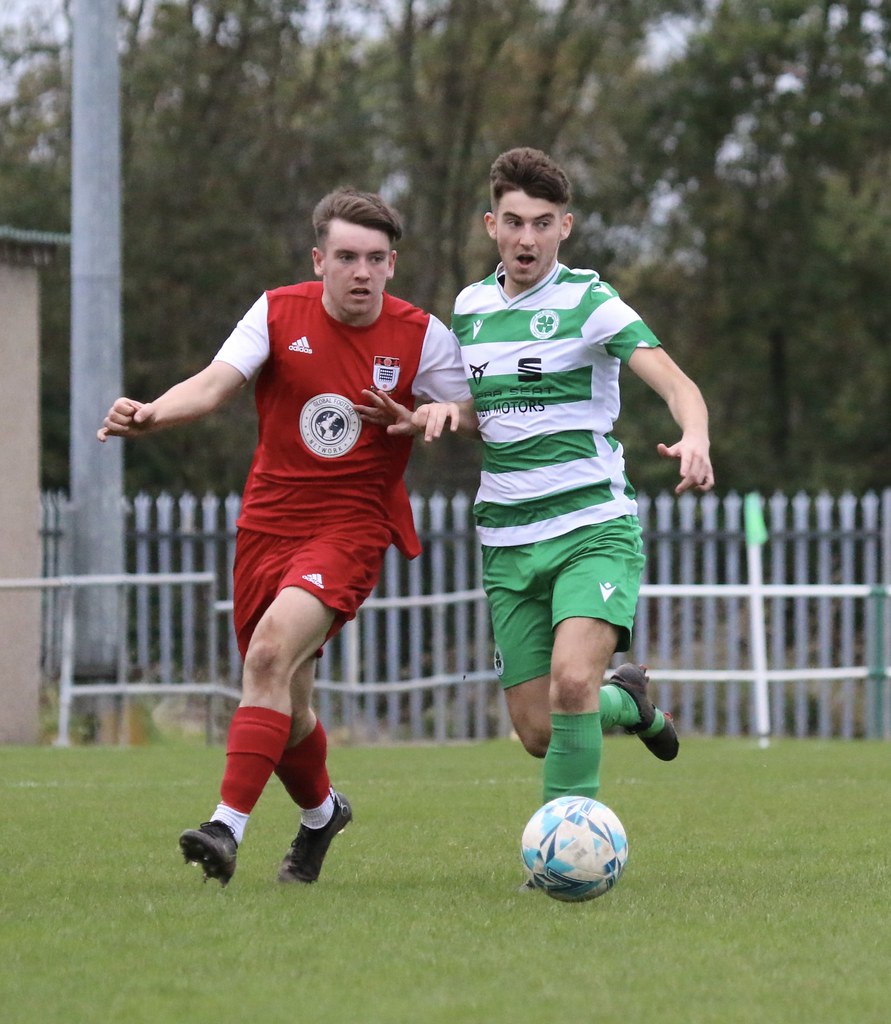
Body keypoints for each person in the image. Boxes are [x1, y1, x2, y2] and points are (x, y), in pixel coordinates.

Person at [98, 188, 470, 887]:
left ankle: (224, 827)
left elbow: (475, 414)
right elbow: (213, 386)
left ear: (392, 264)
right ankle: (322, 814)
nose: (361, 272)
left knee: (266, 656)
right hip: (267, 525)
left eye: (376, 259)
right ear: (318, 259)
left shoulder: (423, 335)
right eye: (346, 257)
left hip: (352, 524)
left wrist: (433, 415)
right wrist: (150, 414)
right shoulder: (276, 311)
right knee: (287, 702)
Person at [364, 147, 714, 811]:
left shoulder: (591, 301)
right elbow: (490, 411)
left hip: (590, 529)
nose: (528, 237)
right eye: (515, 221)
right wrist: (434, 415)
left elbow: (676, 384)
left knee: (572, 684)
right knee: (535, 729)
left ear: (566, 227)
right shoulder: (468, 309)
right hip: (507, 538)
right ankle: (631, 702)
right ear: (489, 224)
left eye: (542, 222)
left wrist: (694, 435)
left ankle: (565, 857)